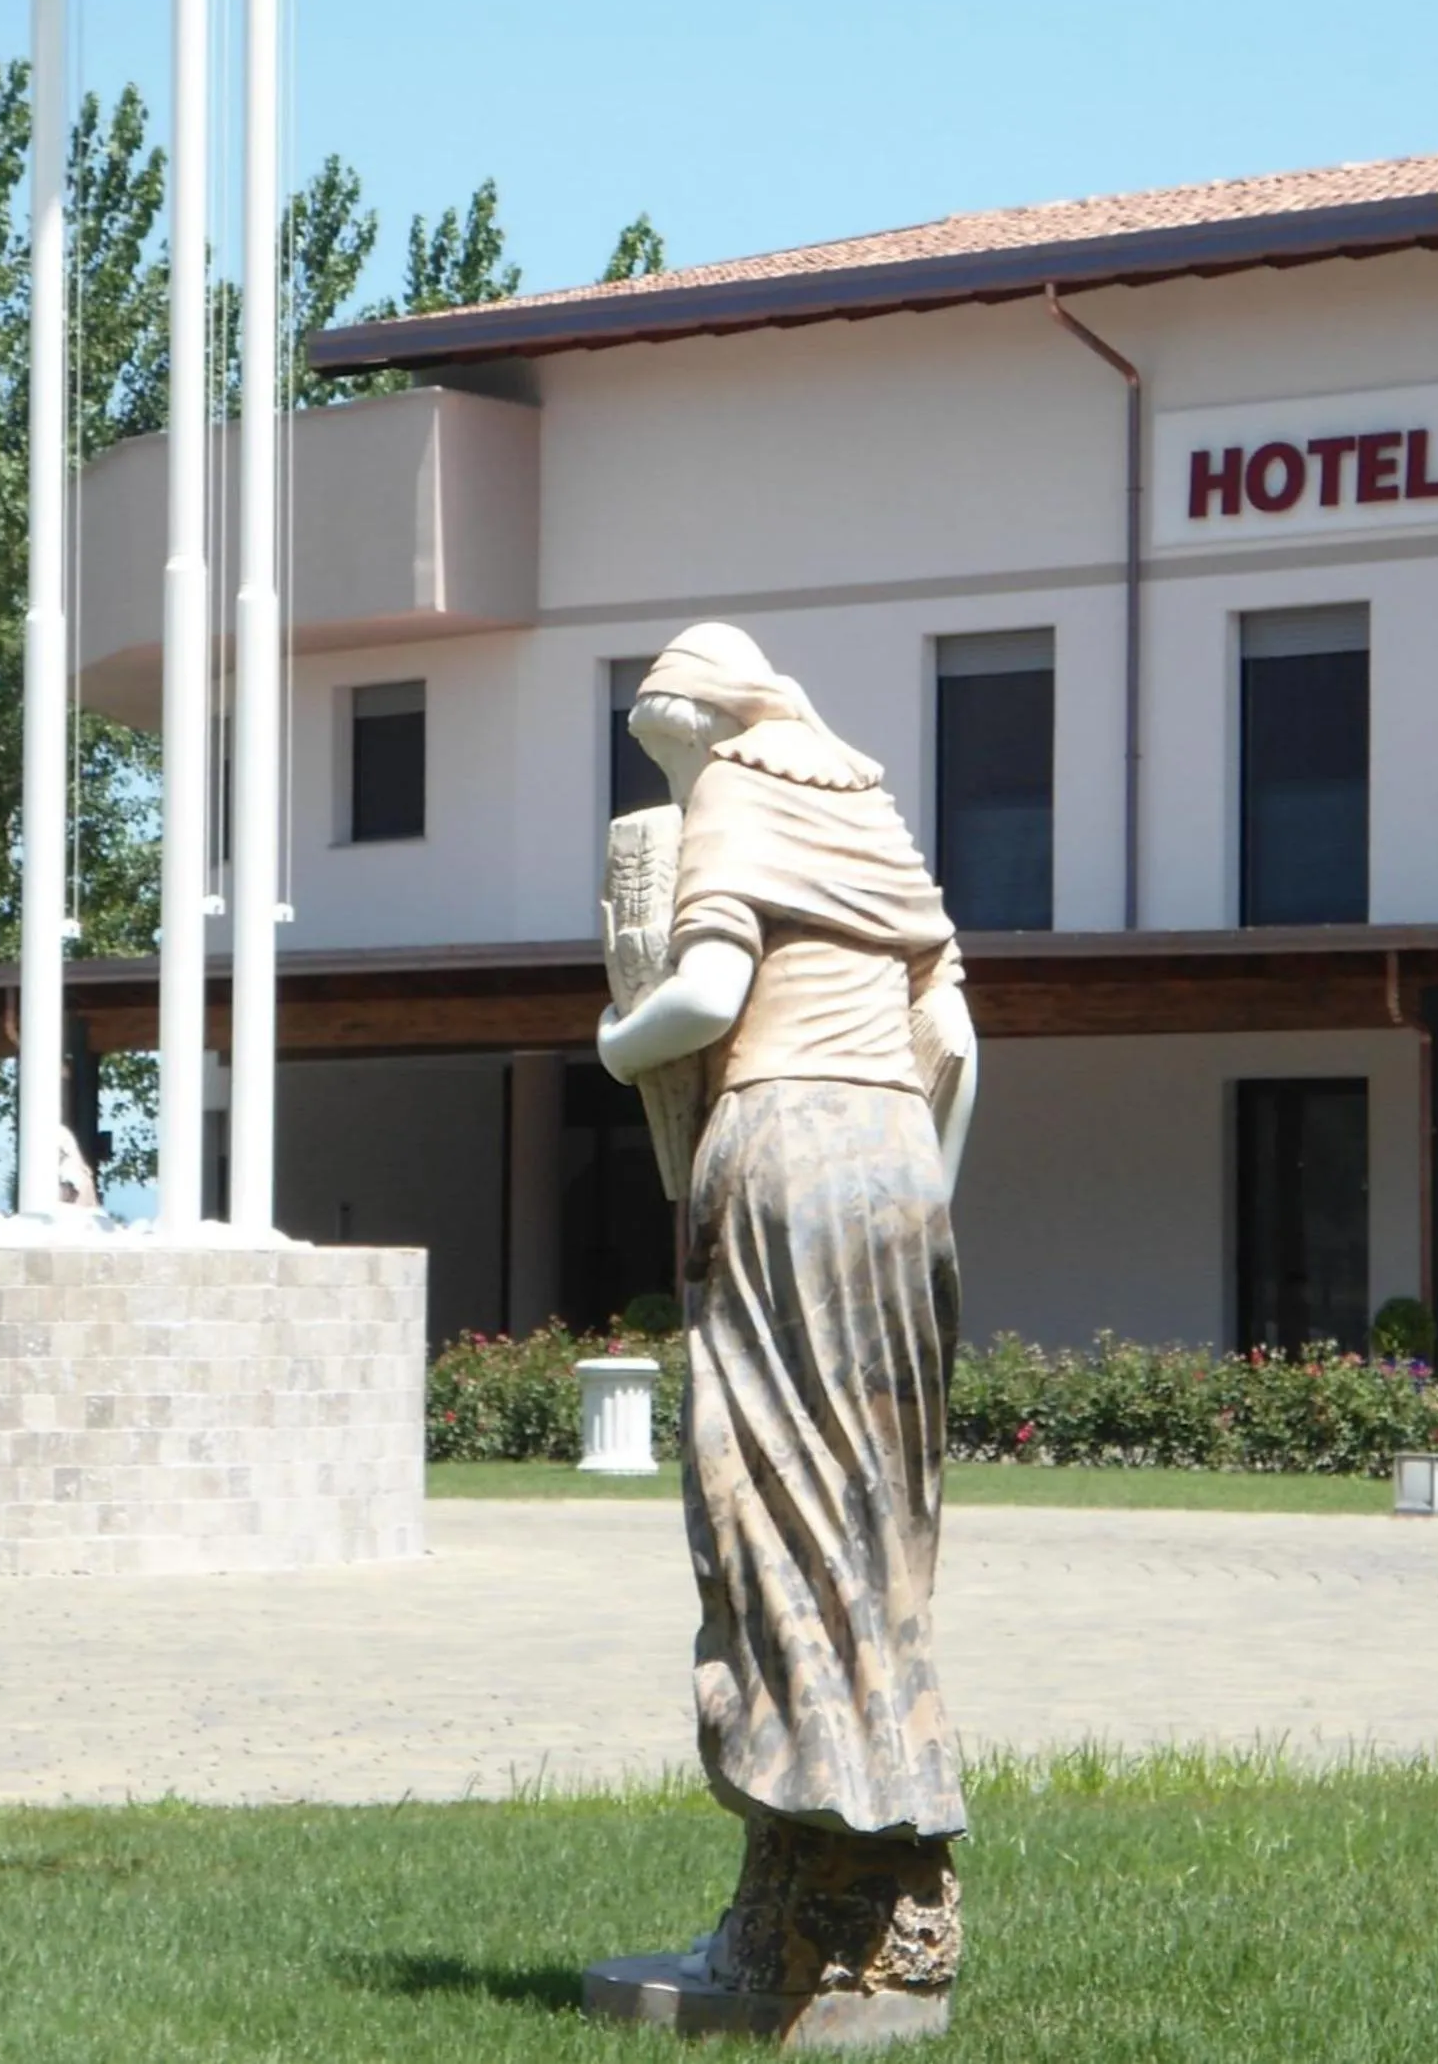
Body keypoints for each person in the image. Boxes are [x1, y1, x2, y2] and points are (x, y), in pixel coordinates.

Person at [596, 622, 976, 1992]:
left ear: (709, 726)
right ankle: (887, 1877)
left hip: (781, 1146)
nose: (679, 778)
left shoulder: (741, 796)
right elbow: (954, 1046)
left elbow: (706, 994)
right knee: (876, 1515)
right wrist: (922, 1195)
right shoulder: (866, 807)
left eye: (672, 751)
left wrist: (611, 1037)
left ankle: (805, 1891)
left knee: (760, 1498)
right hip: (897, 1174)